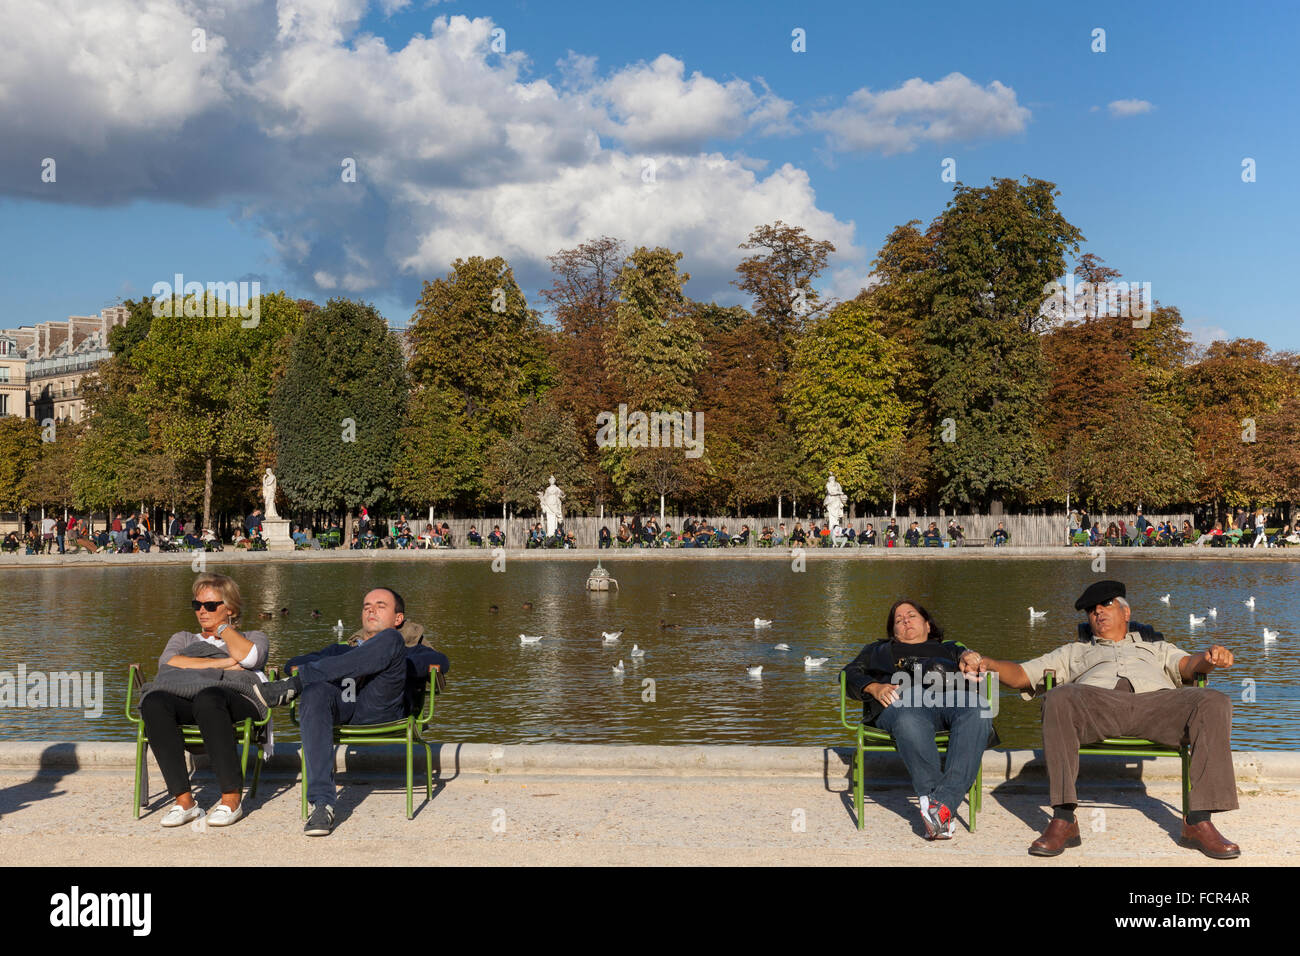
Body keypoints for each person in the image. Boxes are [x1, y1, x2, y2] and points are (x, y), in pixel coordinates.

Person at [962, 580, 1240, 859]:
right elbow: (1023, 673)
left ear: (1126, 613)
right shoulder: (1074, 651)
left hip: (1155, 705)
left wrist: (1209, 658)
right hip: (1098, 707)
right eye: (1091, 610)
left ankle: (1198, 821)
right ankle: (1064, 819)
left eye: (1106, 605)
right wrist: (988, 664)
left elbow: (1189, 666)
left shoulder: (1156, 647)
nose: (1098, 613)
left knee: (1214, 701)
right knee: (1057, 696)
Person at [254, 588, 450, 836]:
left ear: (398, 618)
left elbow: (441, 662)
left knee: (390, 640)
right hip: (344, 704)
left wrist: (394, 662)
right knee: (315, 693)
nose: (371, 609)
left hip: (383, 707)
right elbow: (293, 662)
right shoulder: (341, 649)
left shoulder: (409, 648)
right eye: (367, 605)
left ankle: (295, 685)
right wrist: (351, 661)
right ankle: (322, 804)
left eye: (380, 605)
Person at [841, 600, 994, 840]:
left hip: (949, 699)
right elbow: (848, 674)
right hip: (899, 700)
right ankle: (938, 808)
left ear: (928, 625)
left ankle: (941, 803)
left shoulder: (951, 648)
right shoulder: (877, 650)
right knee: (909, 713)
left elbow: (973, 664)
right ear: (893, 631)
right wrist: (873, 687)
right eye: (898, 620)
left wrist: (969, 656)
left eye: (911, 615)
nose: (905, 621)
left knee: (980, 707)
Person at [138, 573, 270, 828]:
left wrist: (222, 629)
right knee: (154, 700)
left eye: (210, 606)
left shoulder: (254, 635)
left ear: (229, 608)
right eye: (197, 605)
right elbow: (167, 664)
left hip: (238, 699)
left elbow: (251, 660)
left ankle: (231, 799)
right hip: (190, 697)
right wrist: (223, 664)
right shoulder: (184, 639)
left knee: (209, 698)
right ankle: (184, 802)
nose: (202, 611)